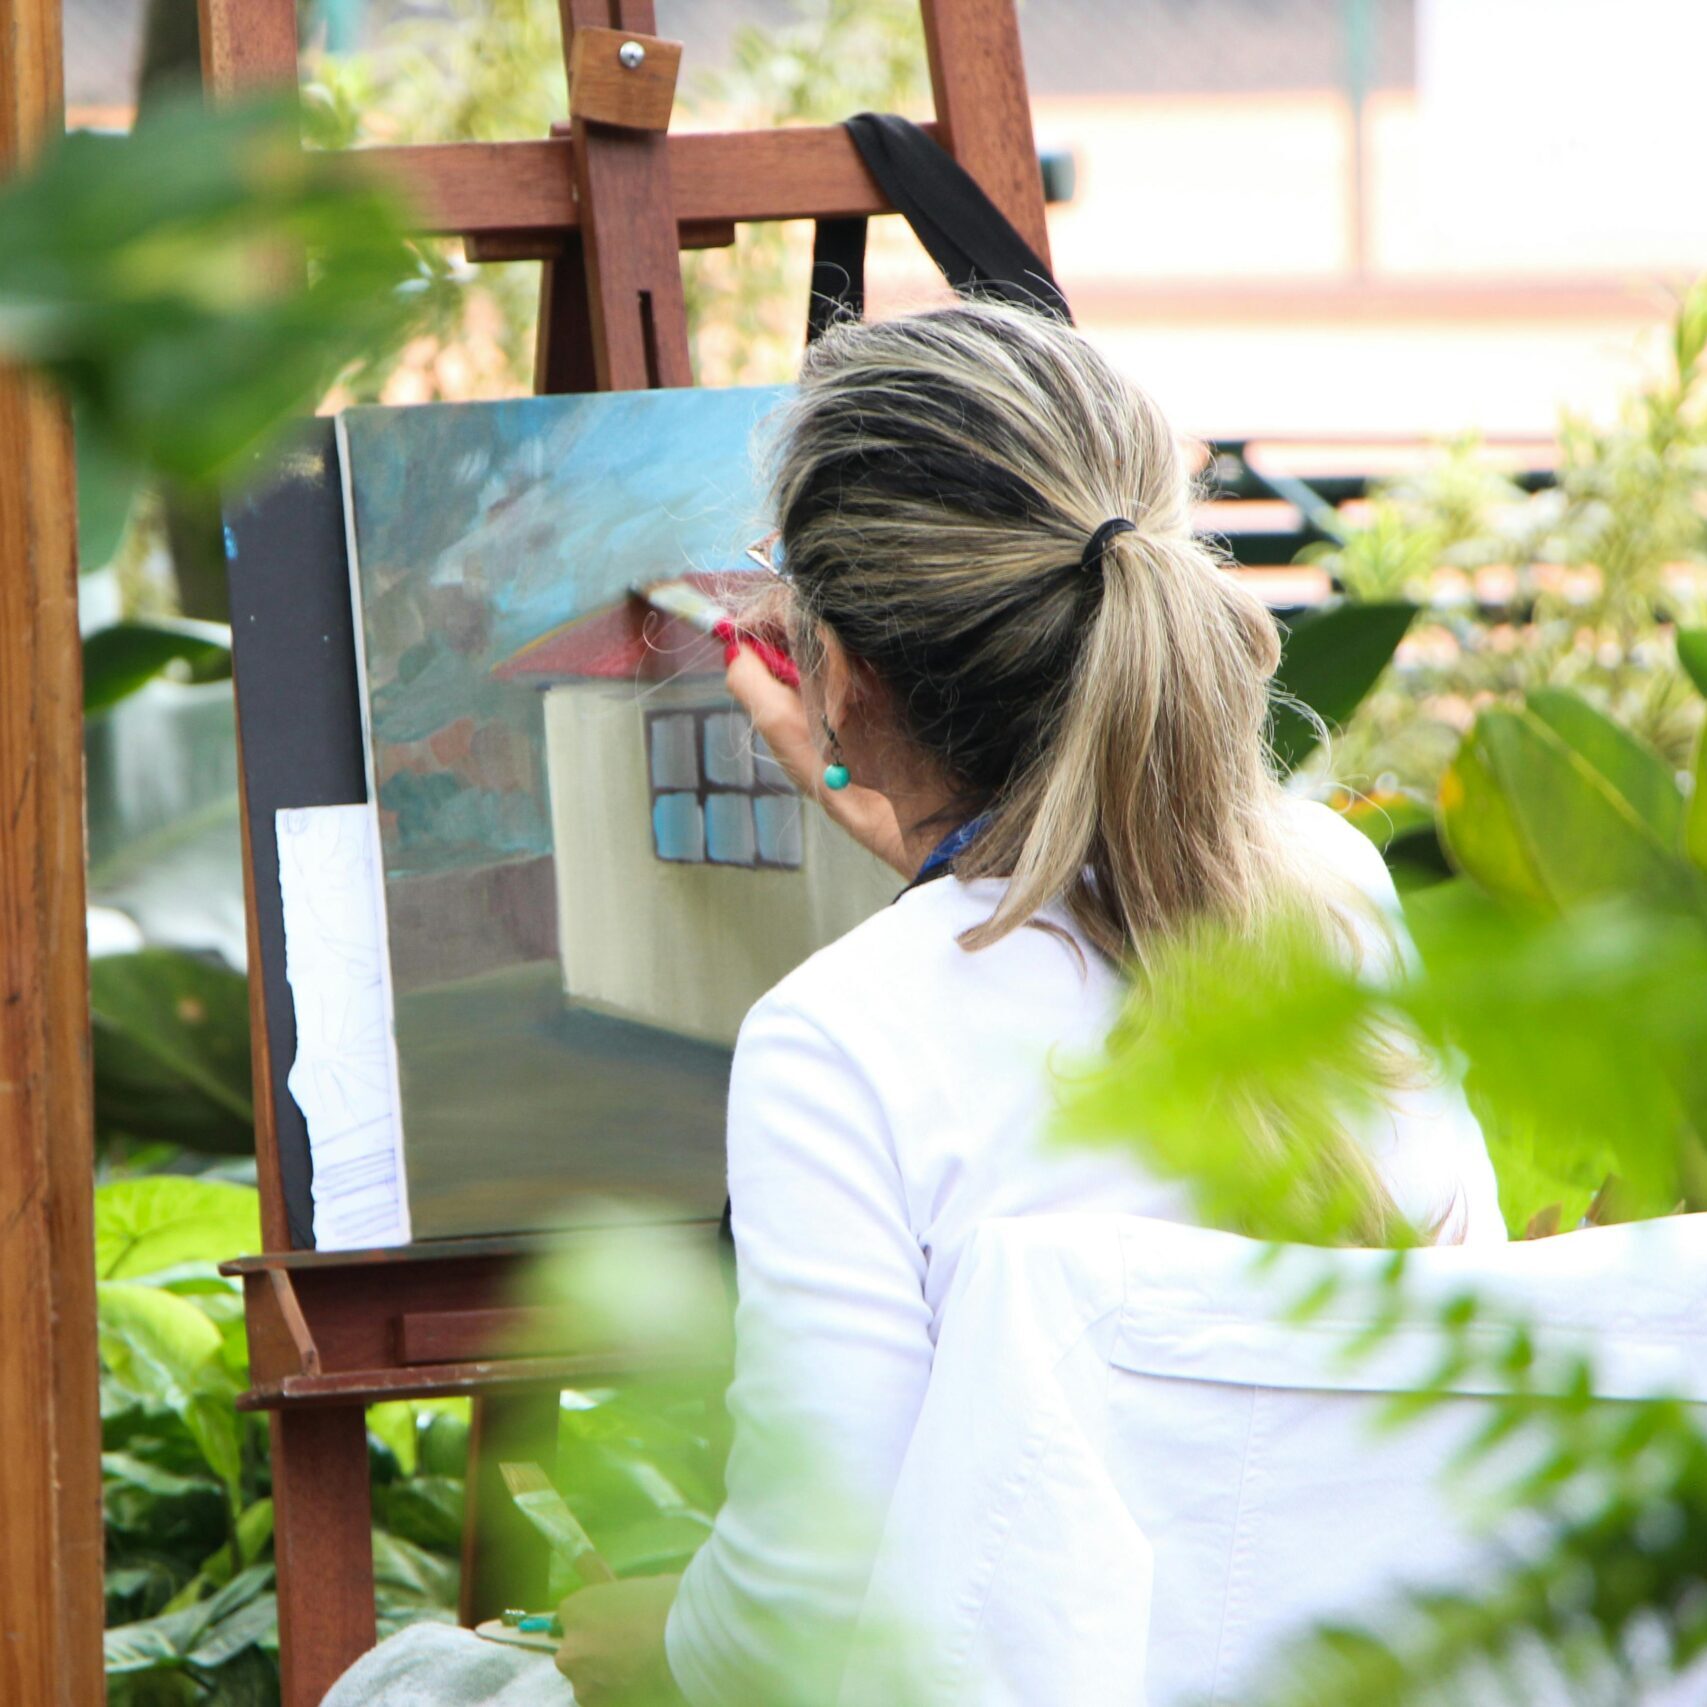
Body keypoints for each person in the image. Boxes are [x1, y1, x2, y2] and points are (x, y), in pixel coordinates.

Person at [553, 301, 1505, 1706]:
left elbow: (812, 1606)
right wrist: (968, 878)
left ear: (849, 679)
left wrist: (657, 1643)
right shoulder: (1338, 888)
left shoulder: (842, 1041)